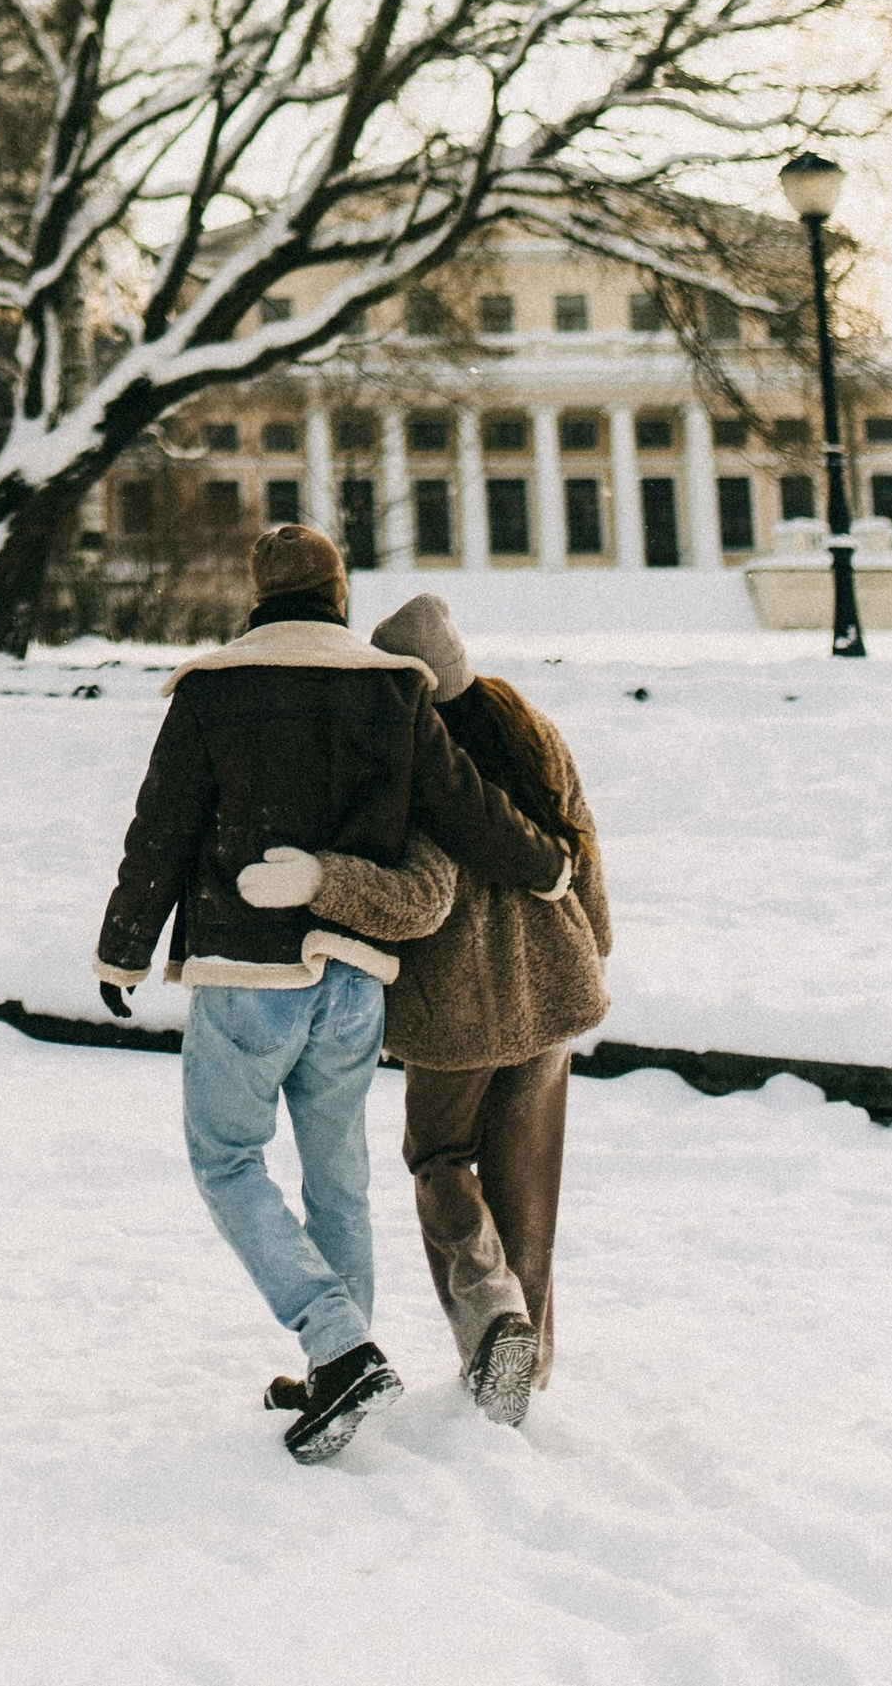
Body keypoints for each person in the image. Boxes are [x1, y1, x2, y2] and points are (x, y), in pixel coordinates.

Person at [94, 526, 574, 1465]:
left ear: (255, 598)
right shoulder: (391, 690)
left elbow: (161, 826)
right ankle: (335, 1368)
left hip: (247, 973)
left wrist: (122, 948)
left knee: (227, 1160)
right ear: (341, 594)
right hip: (354, 972)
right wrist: (545, 863)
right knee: (337, 1176)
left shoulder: (213, 690)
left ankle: (337, 1343)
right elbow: (462, 801)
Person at [278, 593, 610, 1429]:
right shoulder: (527, 727)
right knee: (529, 1180)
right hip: (553, 988)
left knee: (441, 1159)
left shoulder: (412, 761)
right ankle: (519, 1370)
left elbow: (413, 900)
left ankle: (493, 1314)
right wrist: (592, 943)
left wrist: (322, 891)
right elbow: (583, 840)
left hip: (456, 1010)